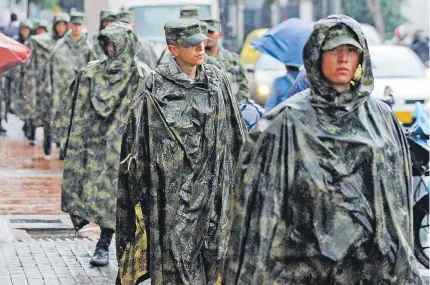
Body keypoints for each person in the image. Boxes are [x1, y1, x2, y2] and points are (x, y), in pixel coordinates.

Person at [223, 14, 425, 284]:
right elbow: (257, 212)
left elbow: (398, 208)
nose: (344, 58)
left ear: (361, 58)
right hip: (305, 269)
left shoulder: (382, 119)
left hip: (370, 270)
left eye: (351, 50)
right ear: (316, 55)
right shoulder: (285, 123)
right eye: (334, 50)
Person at [116, 19, 246, 285]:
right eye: (191, 45)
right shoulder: (155, 85)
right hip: (172, 195)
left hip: (213, 190)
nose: (201, 48)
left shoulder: (217, 81)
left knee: (214, 256)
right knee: (175, 261)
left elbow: (235, 132)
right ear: (173, 49)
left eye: (201, 42)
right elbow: (136, 140)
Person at [53, 22, 150, 267]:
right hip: (96, 149)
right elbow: (71, 108)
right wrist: (66, 138)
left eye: (114, 44)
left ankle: (118, 246)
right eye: (106, 44)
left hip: (129, 150)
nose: (109, 49)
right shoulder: (90, 74)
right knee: (102, 196)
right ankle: (105, 242)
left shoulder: (142, 76)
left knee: (128, 199)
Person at [22, 12, 70, 147]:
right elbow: (34, 44)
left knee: (64, 116)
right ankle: (47, 138)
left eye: (63, 25)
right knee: (47, 115)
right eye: (58, 25)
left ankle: (61, 144)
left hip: (64, 86)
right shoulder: (44, 41)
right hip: (46, 85)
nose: (60, 28)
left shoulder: (70, 44)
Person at [50, 12, 93, 158]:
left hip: (82, 92)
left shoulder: (88, 47)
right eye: (74, 25)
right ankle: (63, 149)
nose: (76, 28)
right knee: (64, 122)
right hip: (62, 91)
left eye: (79, 25)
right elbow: (52, 71)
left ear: (83, 26)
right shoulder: (59, 47)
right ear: (70, 26)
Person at [202, 19, 250, 104]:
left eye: (211, 32)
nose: (207, 36)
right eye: (204, 32)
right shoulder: (195, 60)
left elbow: (244, 86)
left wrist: (239, 106)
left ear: (220, 35)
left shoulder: (232, 59)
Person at [2, 19, 33, 125]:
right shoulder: (15, 41)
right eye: (23, 29)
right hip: (15, 75)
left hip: (28, 76)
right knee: (11, 96)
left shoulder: (32, 42)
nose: (25, 32)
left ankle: (28, 123)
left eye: (27, 30)